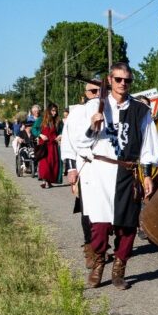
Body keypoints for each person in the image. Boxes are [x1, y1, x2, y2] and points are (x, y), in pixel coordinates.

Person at [72, 62, 158, 290]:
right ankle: (98, 263)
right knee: (99, 225)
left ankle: (119, 269)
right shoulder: (95, 106)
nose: (123, 84)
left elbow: (149, 145)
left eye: (127, 80)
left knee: (127, 225)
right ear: (110, 80)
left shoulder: (141, 110)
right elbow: (78, 142)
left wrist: (147, 175)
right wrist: (92, 126)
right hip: (100, 171)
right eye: (118, 79)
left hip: (127, 172)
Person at [62, 77, 103, 266]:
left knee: (106, 211)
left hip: (108, 169)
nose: (97, 95)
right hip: (85, 167)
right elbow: (68, 142)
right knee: (87, 210)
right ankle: (90, 247)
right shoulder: (78, 113)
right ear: (86, 94)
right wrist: (71, 168)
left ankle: (102, 246)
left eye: (100, 91)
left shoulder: (112, 110)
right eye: (93, 91)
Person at [35, 103, 61, 188]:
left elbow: (62, 130)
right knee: (44, 164)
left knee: (53, 163)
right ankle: (45, 180)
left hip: (53, 145)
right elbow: (34, 129)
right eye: (53, 111)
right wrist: (40, 135)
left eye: (55, 111)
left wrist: (60, 135)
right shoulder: (41, 119)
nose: (54, 113)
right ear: (49, 111)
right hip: (44, 146)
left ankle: (49, 181)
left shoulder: (57, 120)